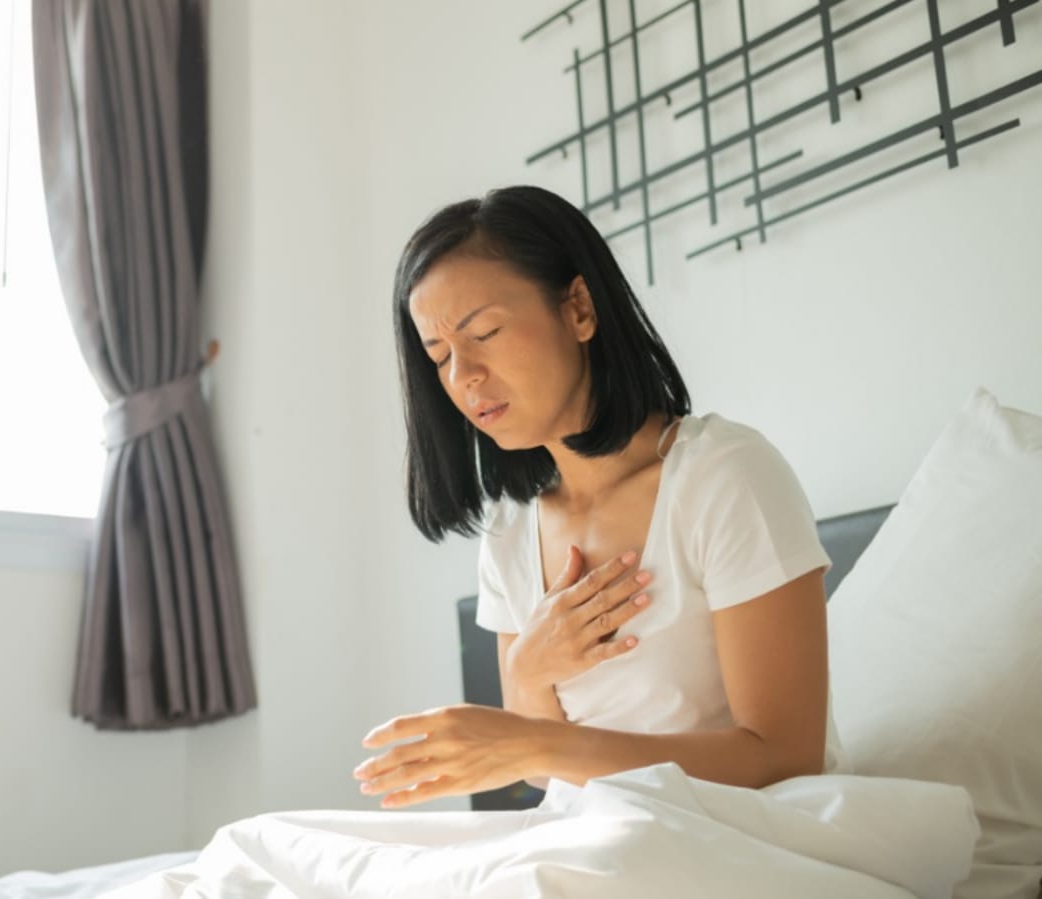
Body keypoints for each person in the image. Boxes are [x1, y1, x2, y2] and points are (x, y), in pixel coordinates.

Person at [352, 185, 847, 809]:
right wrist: (529, 676)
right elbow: (539, 775)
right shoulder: (509, 532)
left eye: (487, 332)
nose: (463, 377)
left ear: (580, 309)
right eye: (440, 355)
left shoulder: (724, 476)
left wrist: (535, 743)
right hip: (601, 839)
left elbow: (784, 757)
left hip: (745, 840)